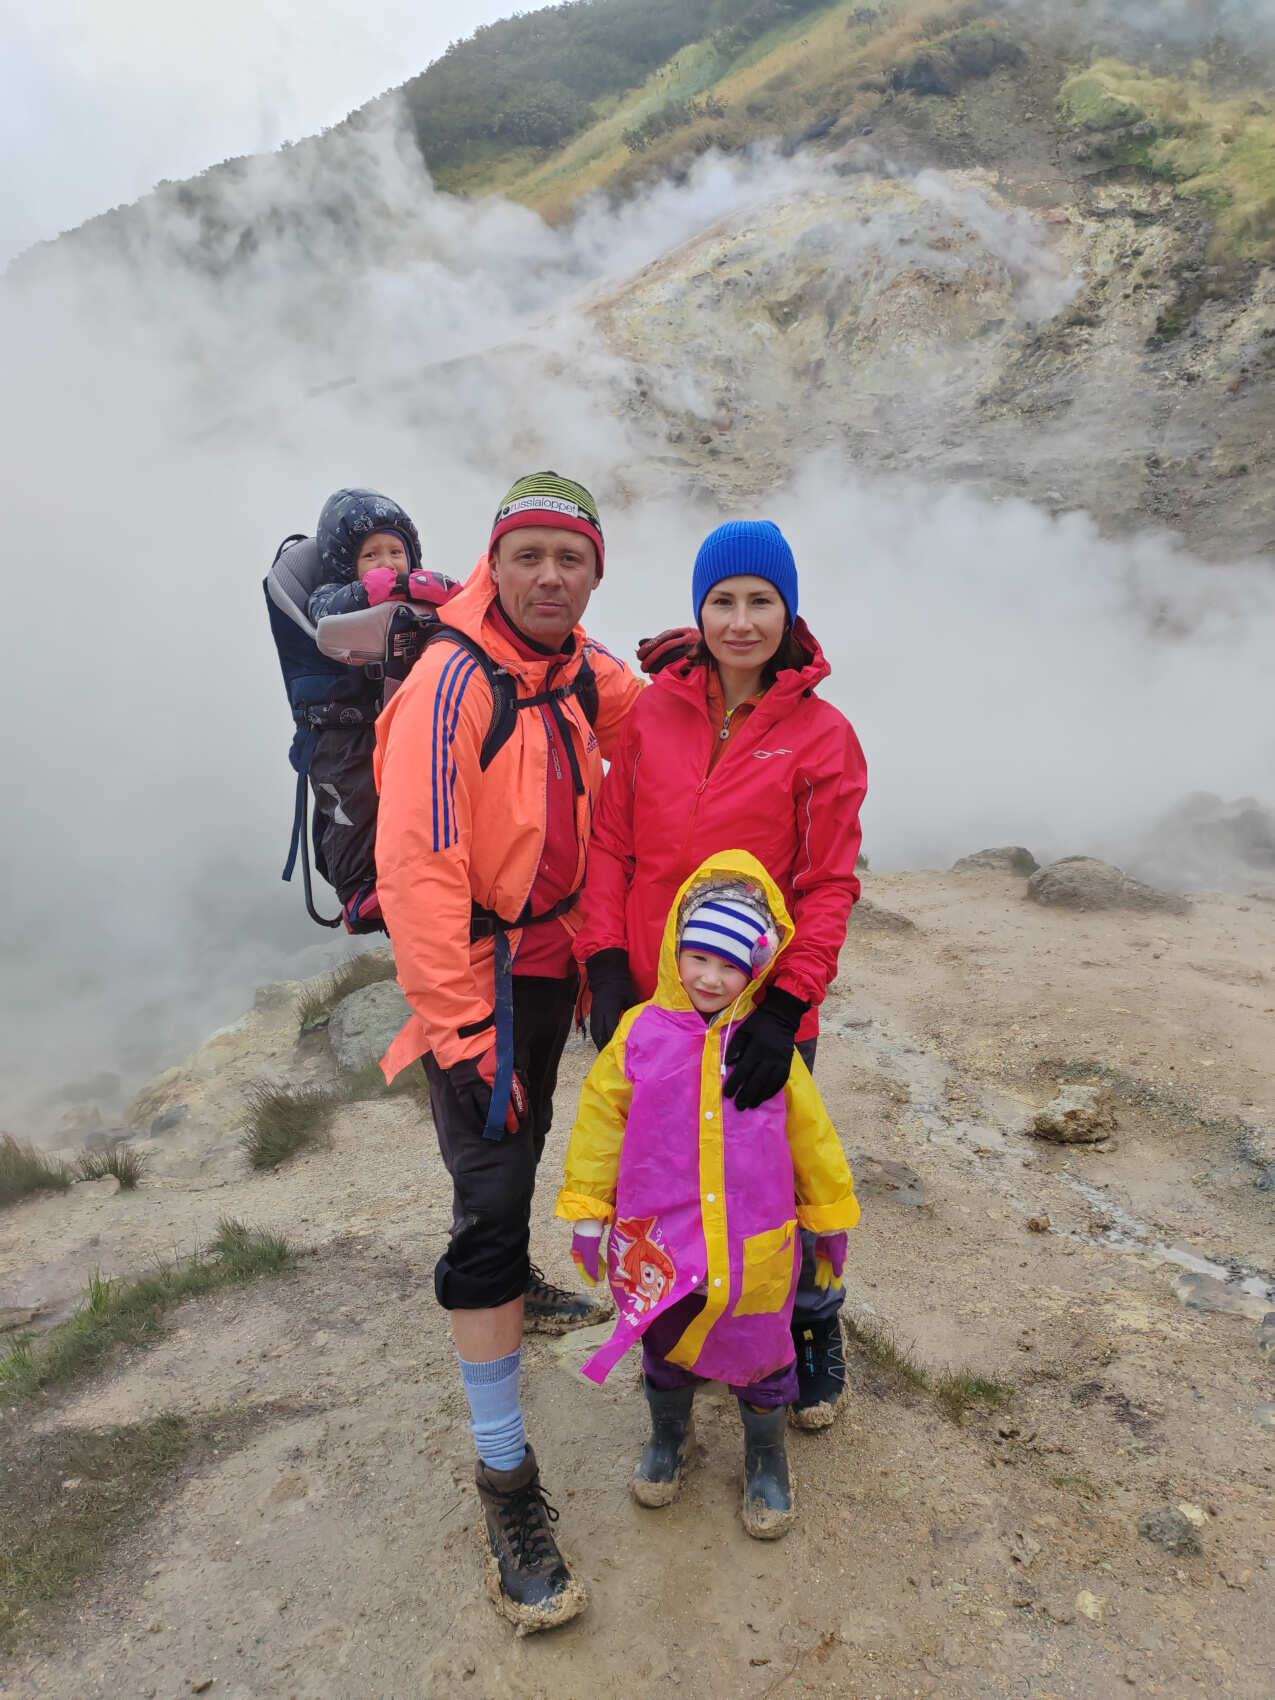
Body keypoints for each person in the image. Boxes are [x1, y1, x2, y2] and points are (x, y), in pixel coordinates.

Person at [373, 472, 643, 1634]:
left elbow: (656, 721)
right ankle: (506, 1483)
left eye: (569, 557)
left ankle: (522, 1286)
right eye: (526, 553)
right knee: (486, 1204)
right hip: (477, 981)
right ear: (495, 562)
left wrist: (730, 667)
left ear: (593, 573)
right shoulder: (451, 680)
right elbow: (418, 870)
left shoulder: (577, 664)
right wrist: (463, 1031)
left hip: (552, 961)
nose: (548, 575)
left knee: (522, 1152)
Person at [575, 519, 868, 1429]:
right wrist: (605, 964)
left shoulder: (822, 737)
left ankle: (809, 1329)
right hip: (659, 1011)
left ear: (788, 612)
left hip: (759, 1020)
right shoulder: (651, 714)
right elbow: (611, 845)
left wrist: (785, 1007)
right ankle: (684, 1333)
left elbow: (826, 885)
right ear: (698, 612)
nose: (741, 622)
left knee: (774, 1194)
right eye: (723, 601)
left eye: (760, 602)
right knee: (660, 1183)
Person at [558, 851, 859, 1539]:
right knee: (663, 1338)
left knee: (760, 1348)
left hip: (753, 1241)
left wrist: (828, 1218)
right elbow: (599, 1125)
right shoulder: (638, 1035)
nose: (710, 978)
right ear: (675, 950)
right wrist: (587, 1212)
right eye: (698, 958)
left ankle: (765, 1456)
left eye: (730, 966)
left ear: (755, 971)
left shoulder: (767, 1049)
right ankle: (670, 1436)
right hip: (657, 1237)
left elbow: (812, 1137)